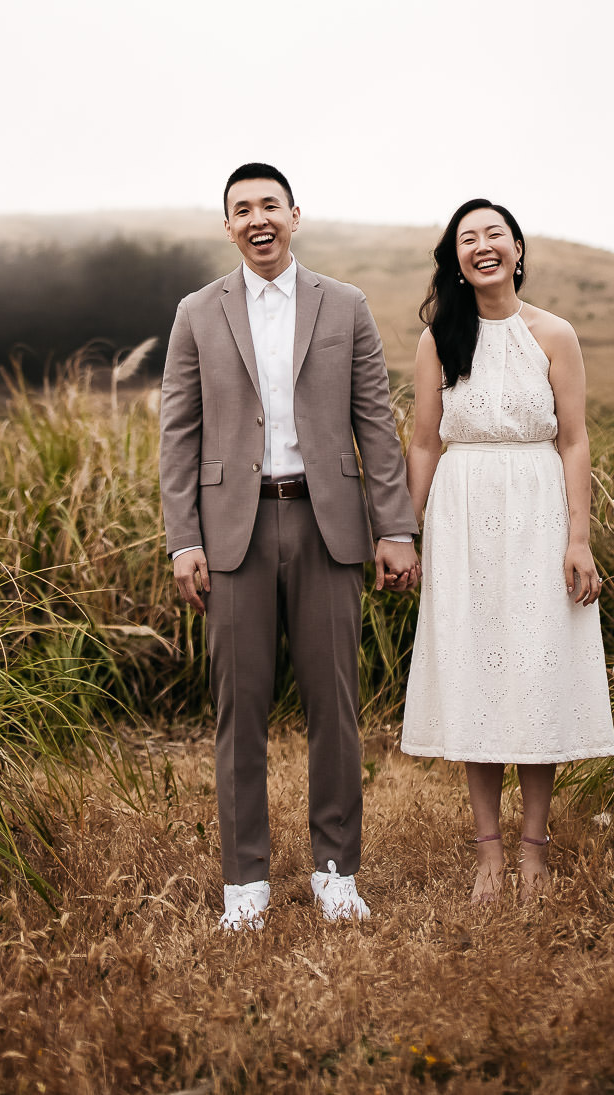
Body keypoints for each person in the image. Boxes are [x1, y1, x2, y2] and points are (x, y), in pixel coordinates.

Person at [160, 163, 420, 931]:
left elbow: (375, 420)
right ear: (229, 225)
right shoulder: (197, 312)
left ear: (295, 215)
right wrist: (183, 539)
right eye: (242, 209)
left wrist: (395, 527)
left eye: (270, 203)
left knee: (335, 706)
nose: (258, 218)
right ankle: (246, 883)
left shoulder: (345, 305)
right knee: (237, 709)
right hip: (232, 528)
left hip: (326, 523)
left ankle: (336, 873)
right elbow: (177, 434)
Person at [400, 198, 614, 904]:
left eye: (495, 233)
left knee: (535, 669)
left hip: (538, 510)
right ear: (455, 259)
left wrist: (578, 538)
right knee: (477, 670)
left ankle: (535, 848)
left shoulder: (554, 333)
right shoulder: (441, 338)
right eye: (468, 238)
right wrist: (404, 530)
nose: (483, 245)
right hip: (463, 513)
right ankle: (487, 849)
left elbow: (574, 439)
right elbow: (425, 441)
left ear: (518, 248)